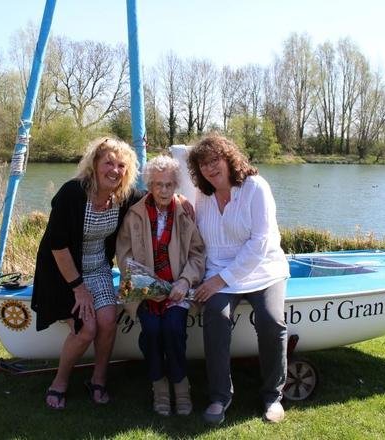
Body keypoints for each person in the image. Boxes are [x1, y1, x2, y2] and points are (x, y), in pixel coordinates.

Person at [31, 136, 142, 410]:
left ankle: (98, 379)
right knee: (86, 328)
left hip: (99, 269)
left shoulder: (124, 197)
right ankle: (60, 382)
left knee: (107, 321)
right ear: (94, 164)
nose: (114, 171)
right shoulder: (72, 193)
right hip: (62, 273)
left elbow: (154, 198)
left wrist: (177, 198)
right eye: (108, 163)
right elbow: (57, 246)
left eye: (121, 166)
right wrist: (78, 288)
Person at [188, 135, 290, 424]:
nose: (209, 168)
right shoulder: (202, 195)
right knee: (216, 319)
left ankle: (272, 396)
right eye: (203, 164)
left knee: (271, 321)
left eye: (214, 160)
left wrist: (221, 280)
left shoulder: (256, 188)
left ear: (229, 159)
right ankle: (220, 397)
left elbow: (260, 242)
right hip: (218, 271)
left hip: (263, 269)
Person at [116, 155, 205, 416]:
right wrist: (147, 287)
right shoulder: (135, 214)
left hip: (178, 289)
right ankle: (160, 386)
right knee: (153, 331)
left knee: (174, 329)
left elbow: (197, 254)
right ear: (150, 186)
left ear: (175, 185)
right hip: (144, 291)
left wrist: (185, 280)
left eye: (168, 185)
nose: (164, 190)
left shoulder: (184, 213)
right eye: (158, 185)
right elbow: (124, 255)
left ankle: (181, 385)